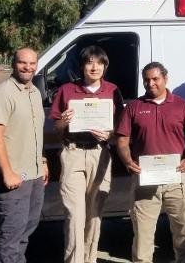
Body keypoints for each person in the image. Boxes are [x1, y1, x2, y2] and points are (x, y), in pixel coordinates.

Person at [116, 62, 185, 263]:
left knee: (183, 230)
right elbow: (121, 140)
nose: (150, 83)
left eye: (155, 79)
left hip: (177, 178)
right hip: (145, 179)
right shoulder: (134, 107)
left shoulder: (182, 106)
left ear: (165, 79)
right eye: (146, 80)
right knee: (143, 233)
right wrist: (128, 161)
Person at [49, 45, 123, 263]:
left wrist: (108, 135)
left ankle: (89, 259)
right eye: (89, 62)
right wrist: (65, 120)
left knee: (94, 214)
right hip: (73, 153)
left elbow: (119, 128)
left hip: (99, 155)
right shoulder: (67, 90)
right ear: (81, 66)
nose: (94, 67)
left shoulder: (113, 91)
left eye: (99, 63)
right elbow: (57, 127)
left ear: (105, 66)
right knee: (74, 215)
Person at [0, 48, 48, 263]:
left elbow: (33, 132)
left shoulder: (34, 92)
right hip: (13, 178)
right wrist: (7, 172)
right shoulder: (4, 93)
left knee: (24, 233)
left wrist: (42, 161)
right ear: (13, 63)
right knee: (11, 236)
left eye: (32, 63)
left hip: (34, 175)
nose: (27, 67)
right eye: (23, 63)